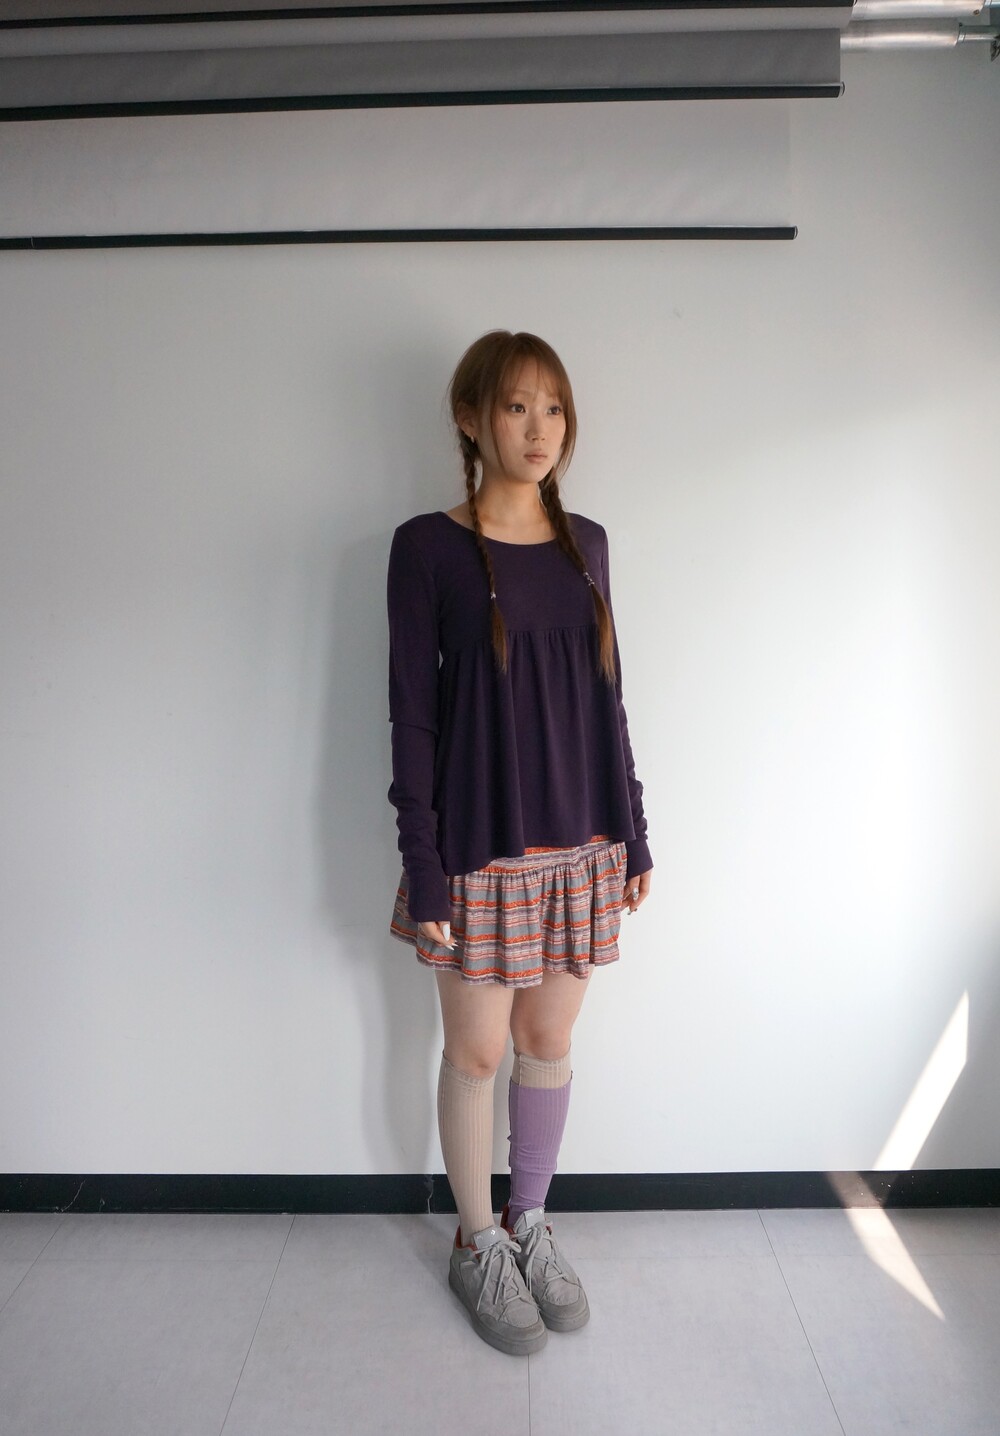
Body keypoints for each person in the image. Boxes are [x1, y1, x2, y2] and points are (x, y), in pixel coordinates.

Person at [386, 330, 652, 1357]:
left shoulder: (589, 543)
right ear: (470, 418)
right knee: (478, 1049)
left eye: (553, 407)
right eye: (514, 406)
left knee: (546, 1042)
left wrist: (634, 831)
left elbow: (609, 700)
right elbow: (412, 718)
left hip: (583, 842)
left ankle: (529, 1218)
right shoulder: (426, 548)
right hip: (477, 849)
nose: (539, 428)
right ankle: (476, 1238)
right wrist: (423, 864)